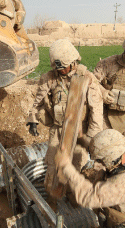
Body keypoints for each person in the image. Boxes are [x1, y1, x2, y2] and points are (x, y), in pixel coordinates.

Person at [26, 39, 103, 194]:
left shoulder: (86, 78)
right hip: (57, 129)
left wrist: (92, 136)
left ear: (74, 62)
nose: (62, 71)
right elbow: (38, 102)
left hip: (79, 131)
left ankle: (70, 197)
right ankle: (51, 196)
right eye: (58, 68)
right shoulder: (49, 78)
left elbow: (96, 110)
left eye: (64, 67)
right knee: (53, 164)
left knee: (74, 166)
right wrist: (32, 120)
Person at [55, 129, 125, 228]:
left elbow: (88, 196)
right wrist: (84, 142)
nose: (99, 163)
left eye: (100, 160)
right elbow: (109, 149)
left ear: (109, 159)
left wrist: (65, 166)